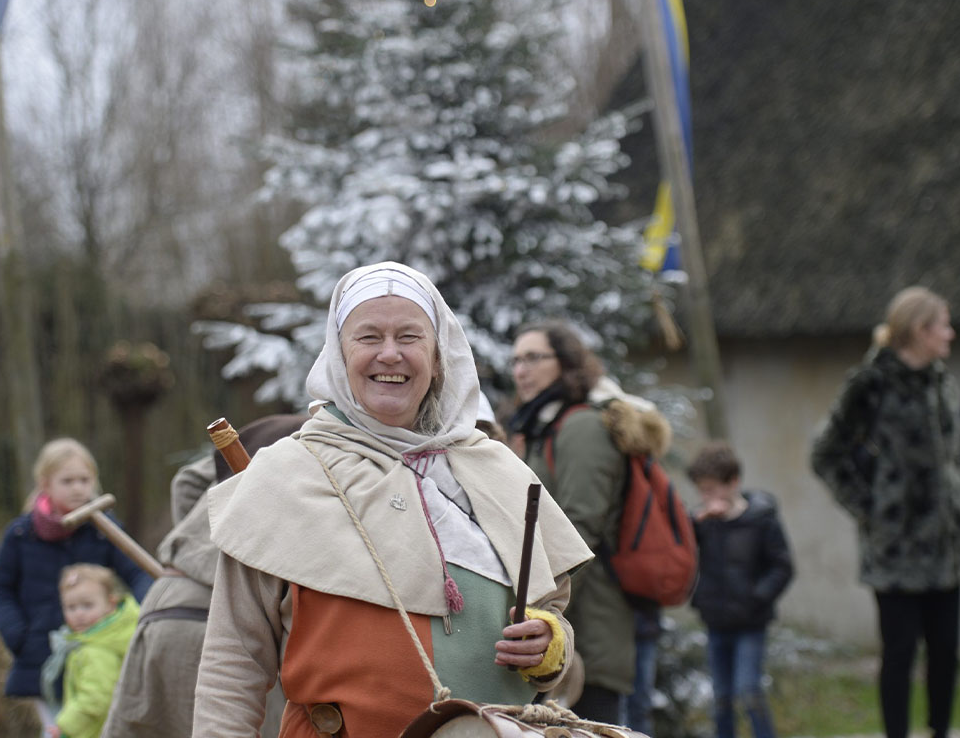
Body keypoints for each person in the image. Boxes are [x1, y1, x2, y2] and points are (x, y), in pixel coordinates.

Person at [191, 262, 593, 738]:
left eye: (409, 337)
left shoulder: (497, 470)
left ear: (438, 356)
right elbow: (232, 663)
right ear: (339, 355)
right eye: (367, 338)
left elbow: (554, 617)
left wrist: (550, 644)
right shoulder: (284, 475)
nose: (390, 354)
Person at [811, 286, 960, 738]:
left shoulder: (941, 379)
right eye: (943, 324)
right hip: (895, 550)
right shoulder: (870, 383)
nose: (950, 333)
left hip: (947, 544)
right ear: (920, 330)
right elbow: (825, 454)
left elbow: (954, 455)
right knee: (900, 653)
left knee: (945, 652)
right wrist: (870, 508)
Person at [101, 414, 305, 738]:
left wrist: (198, 552)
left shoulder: (267, 431)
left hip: (166, 598)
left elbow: (187, 483)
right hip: (225, 618)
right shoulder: (321, 442)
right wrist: (221, 564)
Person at [507, 320, 669, 724]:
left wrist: (540, 608)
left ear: (566, 363)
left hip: (589, 624)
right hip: (567, 621)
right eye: (515, 360)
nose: (520, 371)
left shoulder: (581, 428)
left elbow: (580, 530)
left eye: (533, 358)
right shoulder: (546, 426)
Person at [0, 438, 153, 718]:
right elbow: (1, 589)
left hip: (98, 655)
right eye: (67, 481)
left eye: (84, 479)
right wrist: (18, 636)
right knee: (57, 728)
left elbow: (138, 573)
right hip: (42, 656)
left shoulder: (104, 529)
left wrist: (150, 613)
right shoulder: (20, 535)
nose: (78, 488)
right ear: (45, 483)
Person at [686, 442, 794, 738]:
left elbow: (782, 567)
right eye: (701, 491)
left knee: (749, 691)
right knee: (721, 697)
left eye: (711, 490)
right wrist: (693, 523)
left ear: (733, 482)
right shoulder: (704, 523)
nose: (705, 498)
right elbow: (679, 547)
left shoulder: (760, 519)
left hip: (750, 622)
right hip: (716, 620)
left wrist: (756, 597)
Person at [40, 564, 140, 738]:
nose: (79, 614)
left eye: (87, 606)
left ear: (111, 603)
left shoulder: (98, 650)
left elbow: (95, 699)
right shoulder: (87, 642)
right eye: (71, 607)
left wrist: (65, 726)